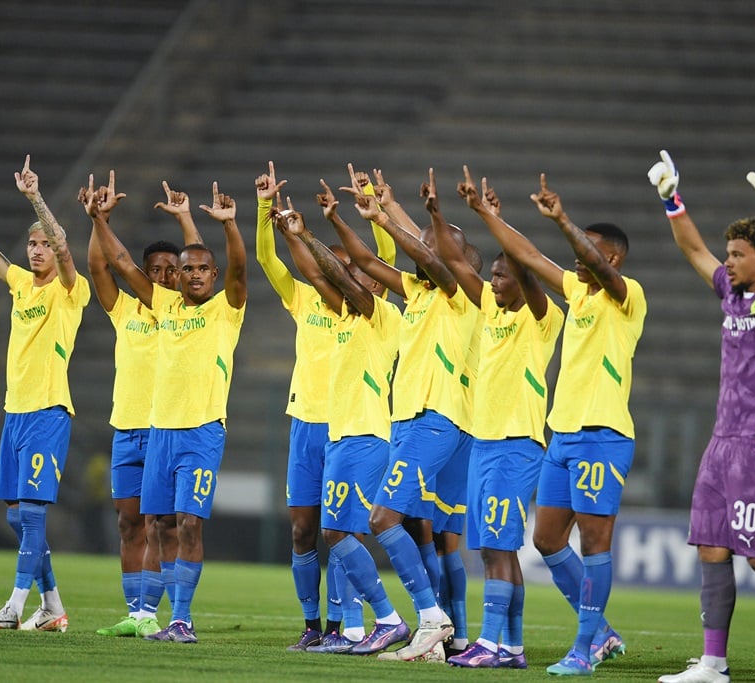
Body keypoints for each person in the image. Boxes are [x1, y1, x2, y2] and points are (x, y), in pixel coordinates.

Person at [649, 151, 755, 683]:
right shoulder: (730, 295)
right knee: (712, 548)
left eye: (738, 254)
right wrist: (672, 199)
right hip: (722, 441)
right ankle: (713, 663)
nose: (728, 261)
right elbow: (692, 248)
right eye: (729, 254)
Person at [480, 172, 643, 676]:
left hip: (603, 434)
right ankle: (604, 634)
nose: (577, 258)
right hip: (563, 434)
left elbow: (591, 261)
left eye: (589, 251)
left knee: (595, 542)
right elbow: (528, 255)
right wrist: (490, 216)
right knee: (547, 540)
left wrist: (564, 220)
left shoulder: (626, 295)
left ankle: (585, 646)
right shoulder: (579, 292)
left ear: (612, 258)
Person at [86, 177, 246, 644]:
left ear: (211, 278)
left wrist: (230, 225)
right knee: (154, 524)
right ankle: (150, 617)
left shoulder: (225, 309)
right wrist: (97, 217)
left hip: (202, 432)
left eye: (202, 270)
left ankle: (183, 619)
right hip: (159, 432)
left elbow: (237, 266)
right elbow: (118, 262)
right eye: (188, 269)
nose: (194, 274)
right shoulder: (165, 306)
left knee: (189, 523)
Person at [333, 167, 480, 661]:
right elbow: (362, 258)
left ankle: (431, 619)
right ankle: (445, 636)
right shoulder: (418, 292)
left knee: (382, 518)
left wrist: (401, 218)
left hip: (434, 418)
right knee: (421, 528)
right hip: (419, 420)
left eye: (435, 245)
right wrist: (350, 217)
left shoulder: (460, 297)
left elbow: (427, 254)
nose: (425, 249)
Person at [253, 162, 395, 651]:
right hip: (308, 424)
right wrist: (267, 213)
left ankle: (345, 625)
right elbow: (274, 263)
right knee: (303, 529)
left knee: (339, 529)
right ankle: (314, 626)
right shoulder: (312, 301)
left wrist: (373, 207)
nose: (339, 277)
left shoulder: (370, 313)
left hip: (351, 425)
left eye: (348, 270)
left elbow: (385, 259)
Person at [0, 155, 91, 632]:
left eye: (43, 244)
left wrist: (35, 197)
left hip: (49, 411)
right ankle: (52, 605)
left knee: (32, 510)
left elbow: (69, 251)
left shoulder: (71, 290)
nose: (36, 251)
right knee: (15, 516)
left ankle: (14, 603)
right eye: (31, 244)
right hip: (15, 413)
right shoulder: (20, 285)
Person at [435, 168, 564, 668]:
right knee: (497, 547)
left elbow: (528, 268)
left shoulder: (541, 316)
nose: (493, 280)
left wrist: (492, 218)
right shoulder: (490, 308)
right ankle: (509, 646)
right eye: (492, 275)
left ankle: (491, 643)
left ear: (522, 280)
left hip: (517, 442)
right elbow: (449, 259)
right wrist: (439, 214)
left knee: (495, 548)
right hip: (485, 442)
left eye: (502, 275)